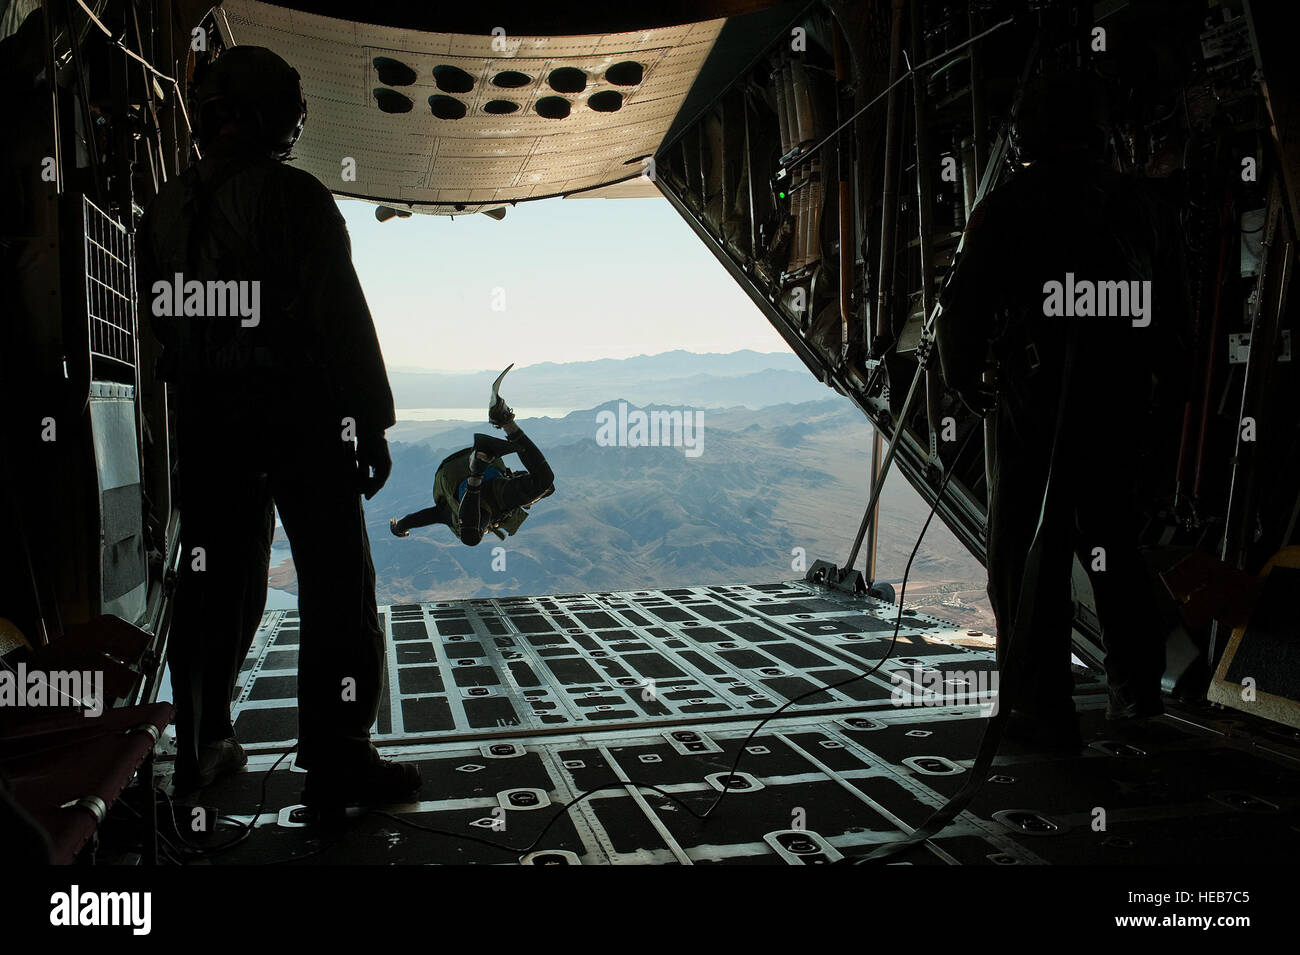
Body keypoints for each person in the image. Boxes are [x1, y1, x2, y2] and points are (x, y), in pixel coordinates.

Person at [138, 46, 419, 808]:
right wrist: (370, 421)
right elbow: (340, 322)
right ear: (271, 116)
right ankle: (338, 754)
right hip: (299, 419)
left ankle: (205, 745)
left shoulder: (163, 210)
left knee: (216, 586)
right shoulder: (293, 198)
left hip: (207, 424)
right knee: (335, 583)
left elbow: (164, 322)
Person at [935, 74, 1175, 748]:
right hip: (1117, 404)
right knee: (1111, 547)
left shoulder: (1010, 207)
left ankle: (1043, 706)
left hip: (1036, 404)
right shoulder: (1141, 207)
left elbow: (964, 311)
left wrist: (963, 377)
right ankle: (1136, 688)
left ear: (1030, 136)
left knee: (1025, 554)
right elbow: (1171, 320)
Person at [391, 372, 555, 544]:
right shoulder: (449, 514)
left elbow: (414, 519)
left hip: (483, 478)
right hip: (478, 481)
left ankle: (505, 422)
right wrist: (399, 528)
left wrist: (399, 527)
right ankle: (479, 465)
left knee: (545, 482)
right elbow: (416, 519)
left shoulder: (450, 513)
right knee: (470, 536)